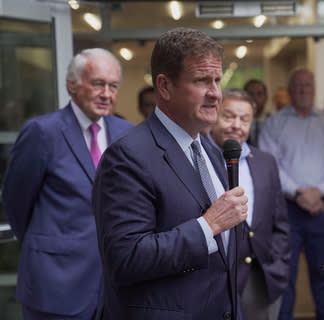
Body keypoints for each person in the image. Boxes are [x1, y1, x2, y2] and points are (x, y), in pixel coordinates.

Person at [92, 28, 248, 320]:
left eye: (217, 80)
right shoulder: (127, 156)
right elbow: (125, 259)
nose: (215, 93)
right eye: (202, 80)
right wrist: (208, 225)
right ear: (163, 86)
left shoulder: (212, 152)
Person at [1, 48, 134, 320]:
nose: (107, 94)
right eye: (98, 84)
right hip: (56, 284)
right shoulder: (42, 132)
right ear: (72, 85)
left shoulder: (127, 133)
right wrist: (51, 247)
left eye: (113, 86)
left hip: (115, 287)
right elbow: (16, 202)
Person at [259, 68, 324, 320]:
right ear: (289, 89)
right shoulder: (274, 122)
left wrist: (318, 192)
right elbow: (270, 163)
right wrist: (299, 193)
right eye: (297, 85)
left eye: (307, 85)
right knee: (284, 275)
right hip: (287, 207)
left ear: (314, 88)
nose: (303, 90)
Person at [206, 88, 290, 320]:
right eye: (229, 116)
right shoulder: (197, 157)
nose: (236, 125)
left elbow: (279, 222)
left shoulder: (265, 162)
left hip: (262, 276)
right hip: (213, 279)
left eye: (244, 119)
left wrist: (279, 265)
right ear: (214, 115)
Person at [244, 79, 268, 146]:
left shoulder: (274, 122)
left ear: (266, 97)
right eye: (250, 94)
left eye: (259, 94)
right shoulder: (238, 123)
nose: (255, 98)